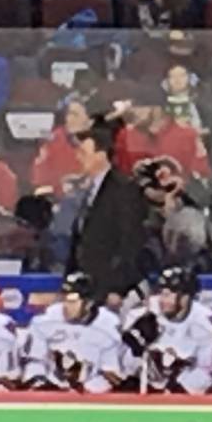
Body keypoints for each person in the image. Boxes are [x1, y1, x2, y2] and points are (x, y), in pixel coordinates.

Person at [69, 117, 145, 296]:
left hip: (111, 291)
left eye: (83, 153)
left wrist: (115, 289)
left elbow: (129, 244)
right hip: (85, 289)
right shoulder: (85, 190)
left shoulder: (124, 190)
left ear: (101, 155)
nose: (77, 158)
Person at [22, 272, 131, 392]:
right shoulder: (44, 321)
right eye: (64, 298)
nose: (67, 305)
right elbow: (34, 362)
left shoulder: (108, 325)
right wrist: (40, 385)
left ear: (88, 302)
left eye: (73, 300)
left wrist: (83, 390)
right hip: (50, 392)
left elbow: (111, 374)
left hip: (90, 396)